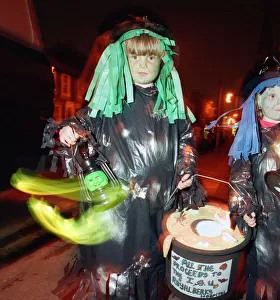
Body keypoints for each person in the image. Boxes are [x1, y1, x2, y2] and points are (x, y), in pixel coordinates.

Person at [42, 16, 206, 299]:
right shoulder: (108, 102)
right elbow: (83, 122)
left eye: (151, 57)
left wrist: (186, 167)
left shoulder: (172, 104)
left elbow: (186, 141)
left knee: (151, 270)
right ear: (121, 60)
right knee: (115, 276)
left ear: (163, 60)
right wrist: (68, 130)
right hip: (116, 211)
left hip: (158, 204)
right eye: (135, 57)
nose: (143, 65)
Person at [226, 56, 280, 300]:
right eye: (271, 96)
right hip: (265, 222)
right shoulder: (251, 135)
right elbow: (240, 177)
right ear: (257, 100)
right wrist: (244, 207)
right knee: (265, 278)